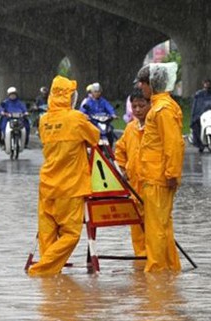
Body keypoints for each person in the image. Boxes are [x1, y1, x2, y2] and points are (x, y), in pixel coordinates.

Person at [27, 75, 100, 276]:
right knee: (71, 234)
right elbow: (94, 137)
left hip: (47, 186)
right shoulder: (75, 119)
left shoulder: (44, 120)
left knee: (47, 234)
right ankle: (41, 271)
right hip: (70, 186)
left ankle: (50, 283)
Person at [134, 62, 184, 273]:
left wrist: (172, 174)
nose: (140, 89)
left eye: (142, 84)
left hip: (158, 178)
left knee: (155, 229)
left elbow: (172, 144)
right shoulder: (160, 107)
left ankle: (155, 272)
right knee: (163, 227)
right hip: (155, 176)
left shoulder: (162, 109)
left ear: (151, 84)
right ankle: (170, 270)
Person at [114, 88, 151, 257]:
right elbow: (120, 150)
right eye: (134, 106)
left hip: (152, 187)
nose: (137, 110)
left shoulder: (154, 127)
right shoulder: (130, 128)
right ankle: (141, 260)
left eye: (141, 105)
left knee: (154, 228)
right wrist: (122, 169)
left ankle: (156, 261)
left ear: (149, 104)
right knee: (137, 229)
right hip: (134, 188)